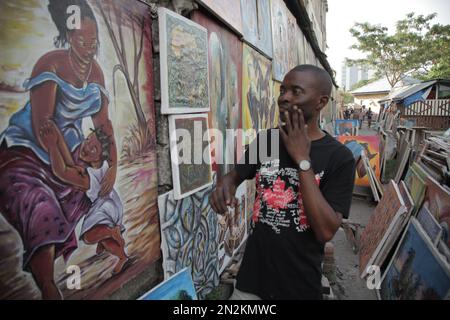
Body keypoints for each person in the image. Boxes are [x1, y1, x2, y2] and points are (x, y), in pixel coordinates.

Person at [0, 0, 117, 299]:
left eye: (94, 41)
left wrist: (113, 166)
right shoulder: (49, 63)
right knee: (41, 205)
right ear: (67, 37)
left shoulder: (96, 73)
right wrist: (68, 168)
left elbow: (103, 125)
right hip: (27, 151)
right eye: (82, 40)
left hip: (66, 150)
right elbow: (45, 129)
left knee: (81, 194)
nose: (89, 48)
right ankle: (47, 284)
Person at [210, 64, 356, 300]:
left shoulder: (339, 157)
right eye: (282, 90)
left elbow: (326, 230)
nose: (284, 98)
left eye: (296, 91)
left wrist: (302, 159)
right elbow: (236, 176)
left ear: (321, 102)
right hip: (250, 281)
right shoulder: (267, 140)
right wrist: (225, 183)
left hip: (298, 287)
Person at [40, 121, 128, 275]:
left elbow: (62, 171)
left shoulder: (87, 179)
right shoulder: (104, 167)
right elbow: (70, 164)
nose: (87, 147)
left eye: (94, 148)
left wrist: (53, 146)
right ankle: (122, 257)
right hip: (114, 203)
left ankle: (111, 231)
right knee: (105, 239)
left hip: (104, 207)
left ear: (101, 157)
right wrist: (57, 134)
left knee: (88, 236)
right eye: (88, 140)